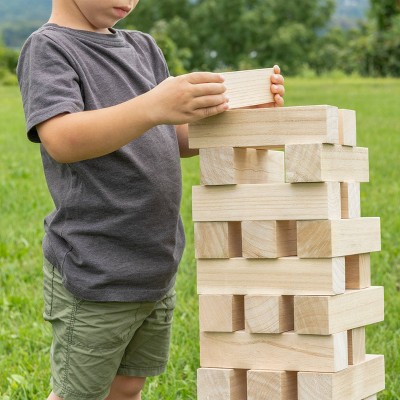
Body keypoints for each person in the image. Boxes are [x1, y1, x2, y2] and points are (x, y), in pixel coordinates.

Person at [17, 1, 285, 399]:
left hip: (153, 263)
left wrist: (246, 114)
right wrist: (153, 105)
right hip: (96, 268)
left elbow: (175, 137)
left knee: (128, 385)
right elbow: (61, 139)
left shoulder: (142, 47)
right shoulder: (49, 48)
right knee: (80, 393)